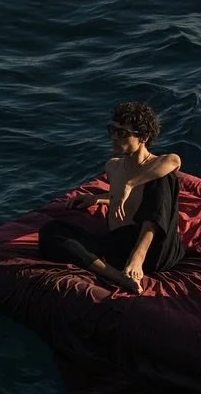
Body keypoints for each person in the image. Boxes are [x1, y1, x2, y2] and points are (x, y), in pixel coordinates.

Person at [37, 101, 185, 293]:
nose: (115, 137)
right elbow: (128, 198)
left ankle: (136, 258)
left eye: (122, 133)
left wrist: (130, 184)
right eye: (113, 130)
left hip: (155, 250)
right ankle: (117, 276)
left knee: (164, 179)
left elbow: (174, 160)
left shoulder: (159, 164)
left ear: (143, 137)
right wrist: (97, 199)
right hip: (119, 246)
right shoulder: (113, 166)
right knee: (50, 231)